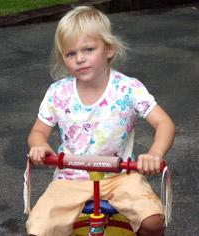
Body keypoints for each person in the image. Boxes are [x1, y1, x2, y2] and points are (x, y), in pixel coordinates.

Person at [26, 5, 175, 236]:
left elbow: (164, 123)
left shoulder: (128, 88)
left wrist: (155, 153)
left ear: (109, 49)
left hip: (120, 176)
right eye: (71, 53)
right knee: (38, 228)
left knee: (153, 221)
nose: (80, 59)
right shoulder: (58, 93)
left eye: (88, 49)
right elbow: (38, 132)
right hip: (70, 179)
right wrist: (39, 146)